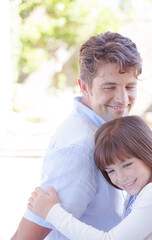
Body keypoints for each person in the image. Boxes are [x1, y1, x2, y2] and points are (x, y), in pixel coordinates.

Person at [11, 32, 142, 240]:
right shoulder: (80, 147)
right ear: (84, 87)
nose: (123, 98)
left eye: (129, 86)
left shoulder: (111, 132)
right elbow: (28, 236)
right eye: (109, 87)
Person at [28, 116, 152, 240]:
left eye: (127, 165)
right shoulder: (138, 192)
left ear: (147, 151)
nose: (121, 177)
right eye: (111, 171)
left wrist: (52, 212)